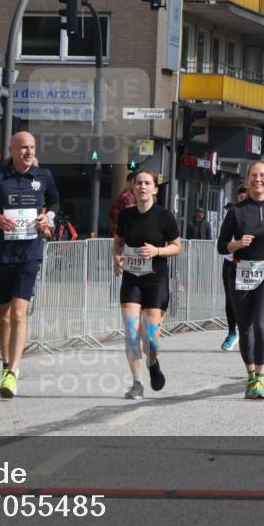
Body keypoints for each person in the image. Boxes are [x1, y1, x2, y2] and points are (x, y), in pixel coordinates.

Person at [0, 131, 59, 399]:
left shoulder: (43, 176)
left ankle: (12, 372)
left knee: (19, 314)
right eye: (23, 147)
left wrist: (48, 217)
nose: (29, 152)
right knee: (3, 314)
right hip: (2, 253)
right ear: (11, 150)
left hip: (30, 253)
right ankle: (5, 363)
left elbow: (55, 202)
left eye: (32, 147)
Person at [217, 161, 264, 400]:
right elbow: (221, 246)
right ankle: (251, 376)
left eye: (262, 175)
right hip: (241, 272)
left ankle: (261, 378)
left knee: (261, 324)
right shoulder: (236, 211)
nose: (257, 179)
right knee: (245, 328)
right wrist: (237, 244)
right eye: (253, 175)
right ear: (248, 179)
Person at [112, 169, 181, 399]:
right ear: (132, 188)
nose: (142, 186)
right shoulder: (126, 215)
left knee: (151, 338)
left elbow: (177, 246)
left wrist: (157, 251)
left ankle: (152, 363)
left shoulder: (164, 216)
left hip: (156, 279)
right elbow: (118, 243)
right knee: (131, 331)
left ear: (155, 189)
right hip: (132, 278)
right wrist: (116, 258)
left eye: (147, 183)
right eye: (138, 183)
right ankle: (137, 383)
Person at [219, 186, 248, 352]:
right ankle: (232, 332)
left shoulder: (257, 215)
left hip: (249, 263)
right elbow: (222, 241)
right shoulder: (232, 214)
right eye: (241, 198)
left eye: (246, 197)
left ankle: (248, 332)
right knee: (230, 298)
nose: (243, 201)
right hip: (230, 262)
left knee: (248, 299)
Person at [108, 171, 136, 237]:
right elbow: (132, 219)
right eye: (134, 182)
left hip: (117, 234)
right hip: (124, 236)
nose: (136, 185)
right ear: (128, 183)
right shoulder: (128, 198)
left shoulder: (123, 196)